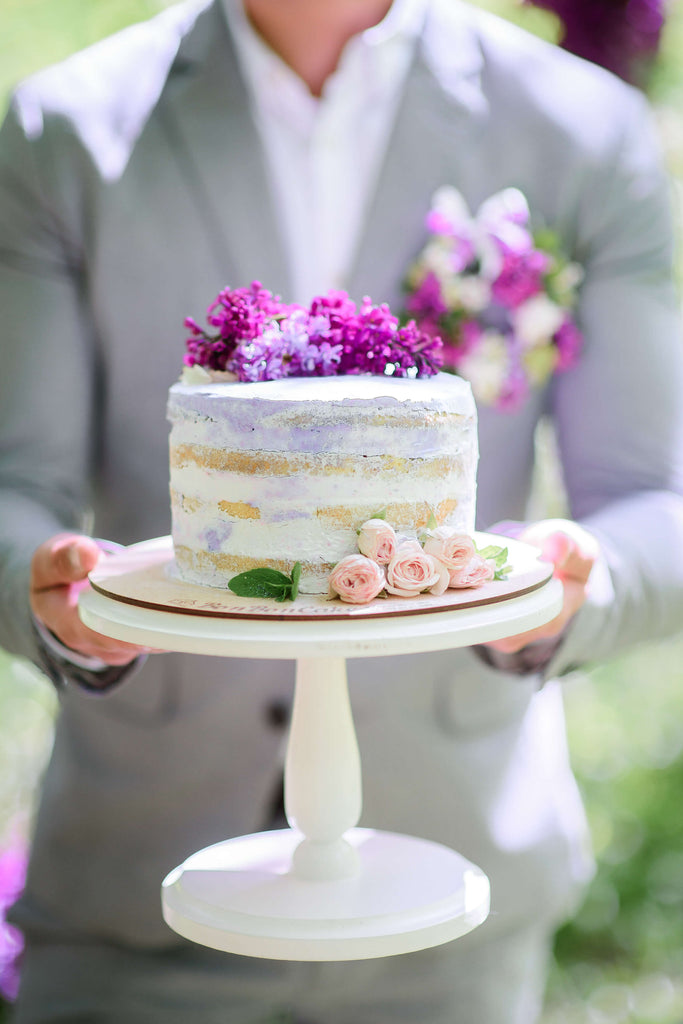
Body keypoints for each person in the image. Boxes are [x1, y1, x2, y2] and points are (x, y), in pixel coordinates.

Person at [1, 0, 682, 1021]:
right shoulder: (69, 130)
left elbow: (654, 505)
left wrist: (572, 582)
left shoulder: (577, 127)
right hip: (138, 908)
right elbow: (15, 488)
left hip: (452, 913)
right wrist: (44, 587)